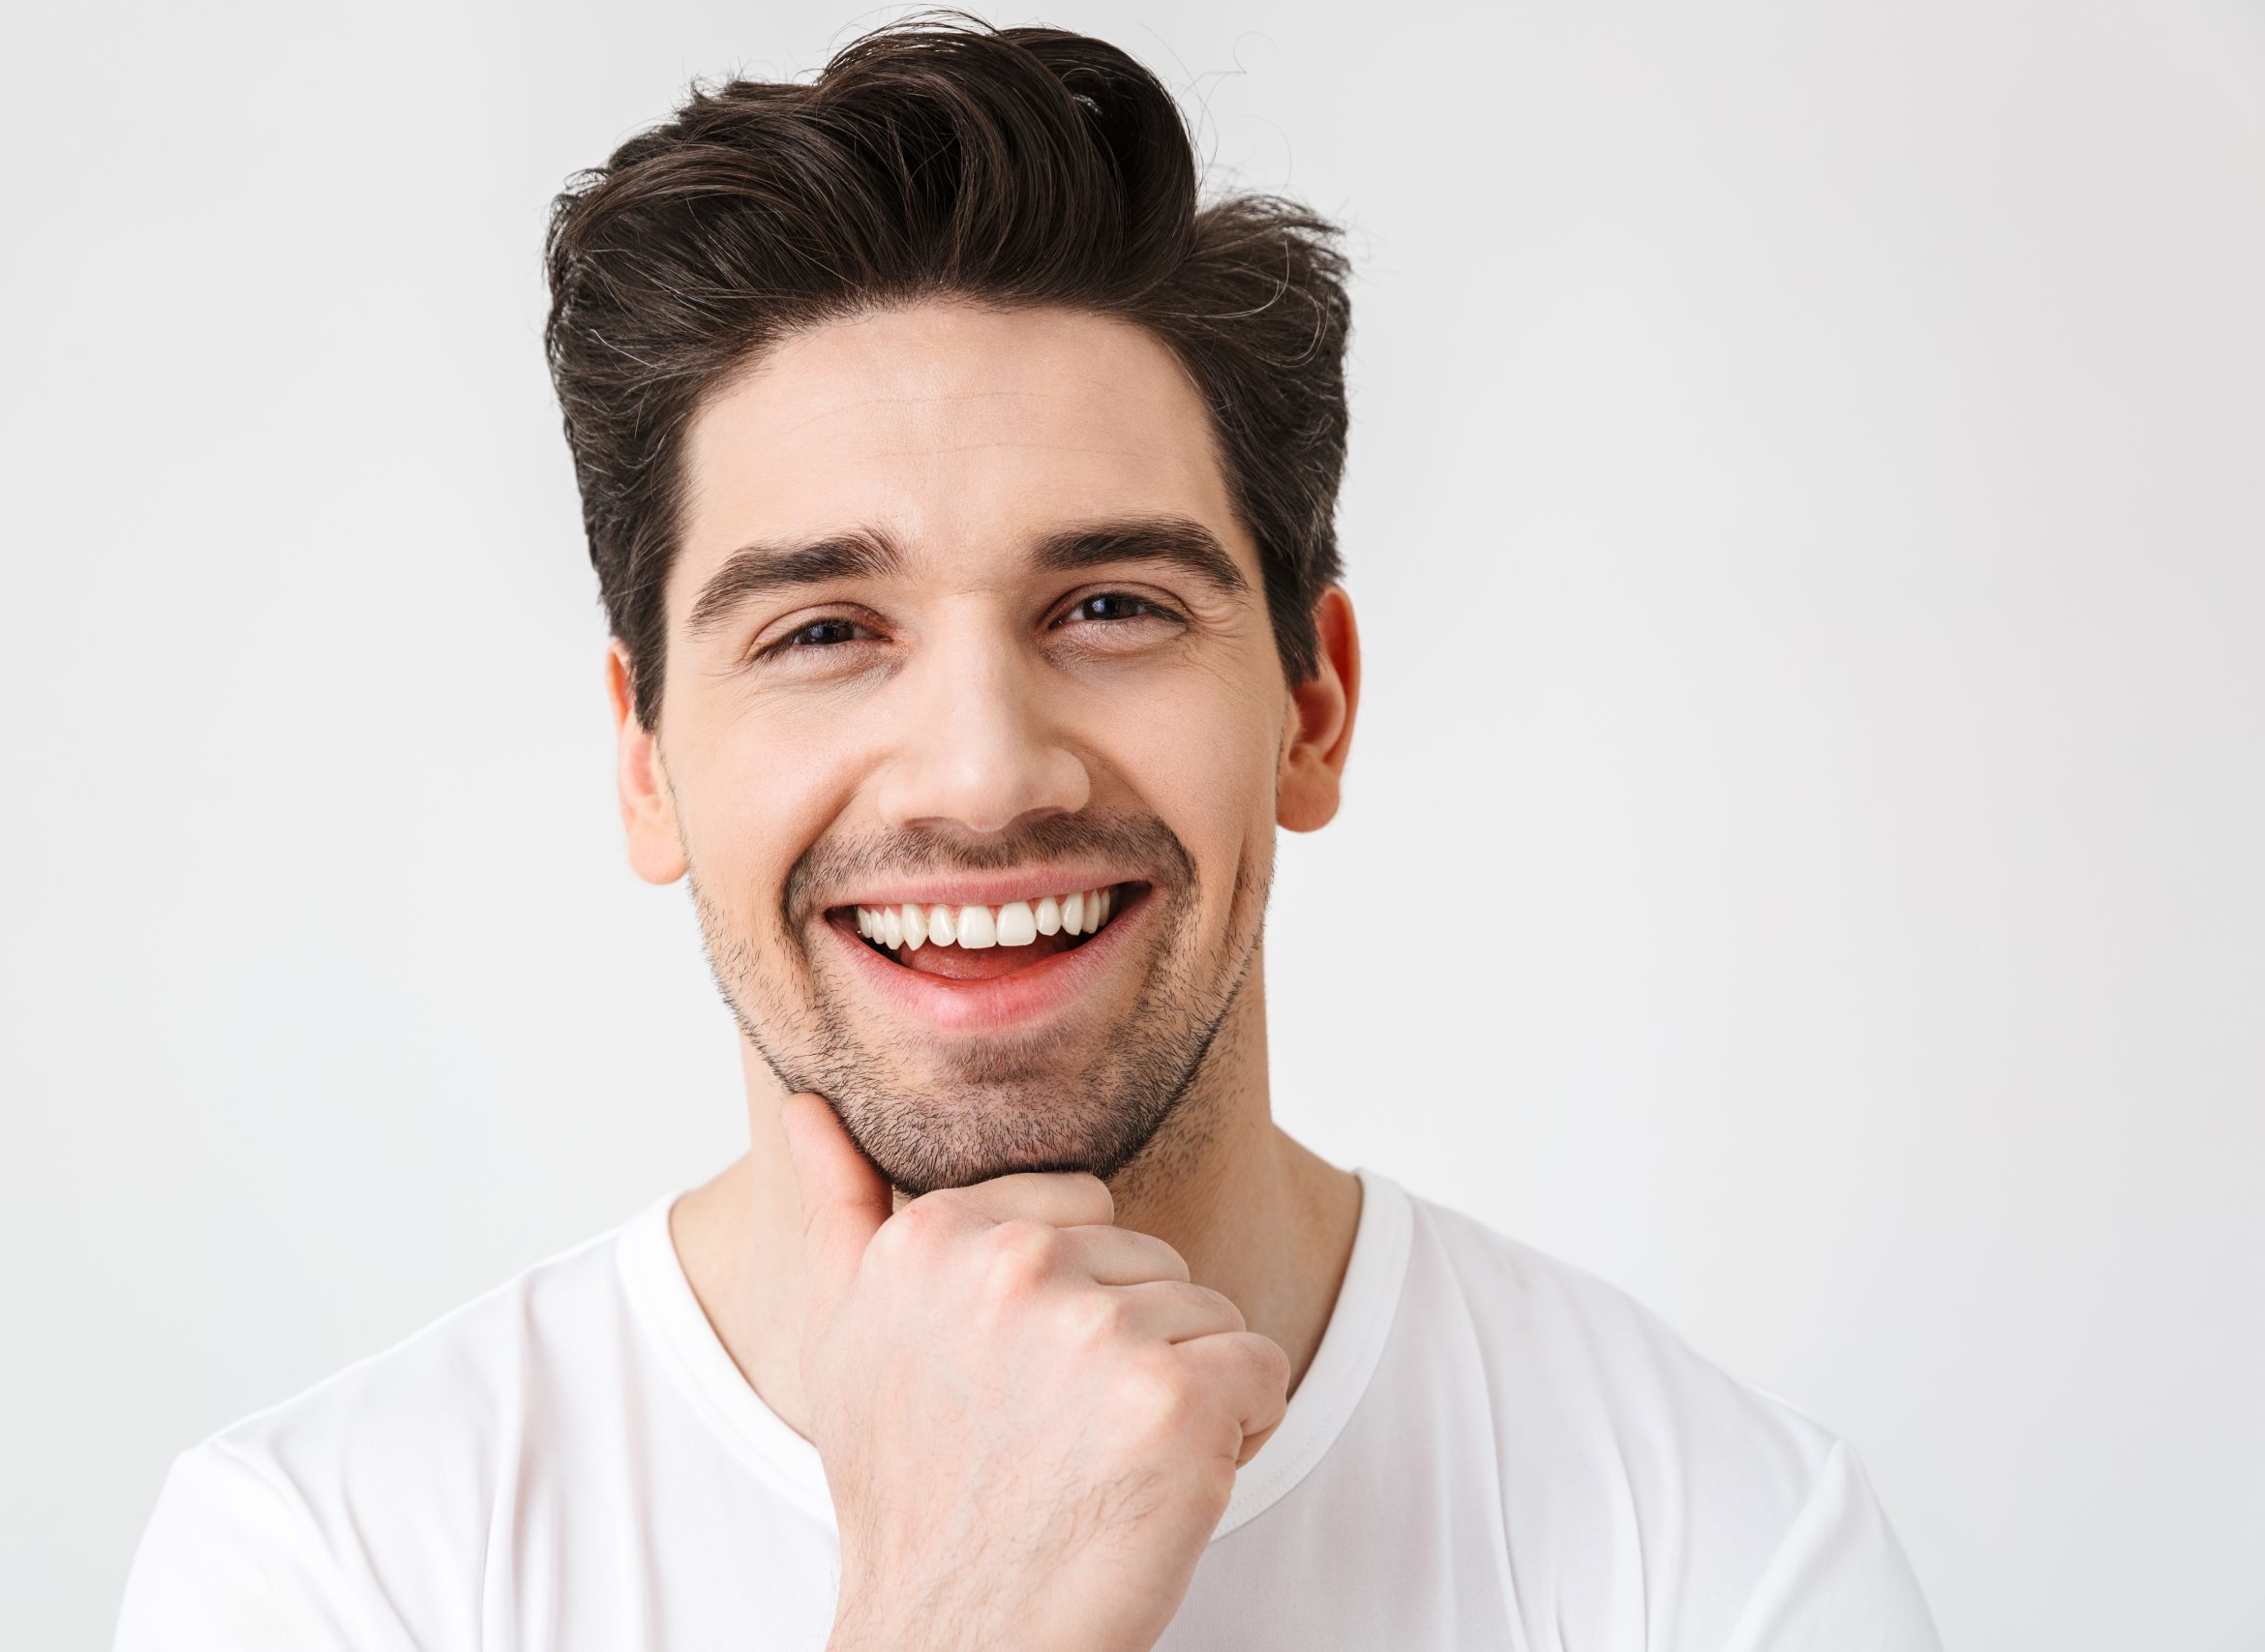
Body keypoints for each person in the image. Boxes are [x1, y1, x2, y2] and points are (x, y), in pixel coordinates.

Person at [113, 16, 1940, 1649]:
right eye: (824, 632)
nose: (983, 777)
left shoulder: (1715, 1545)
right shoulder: (337, 1571)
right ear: (647, 763)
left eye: (1114, 606)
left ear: (1312, 704)